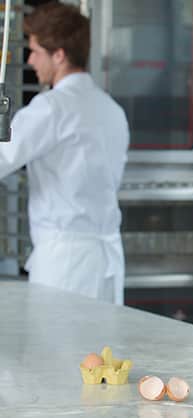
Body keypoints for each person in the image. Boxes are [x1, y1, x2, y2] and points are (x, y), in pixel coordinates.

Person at [0, 3, 129, 304]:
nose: (30, 60)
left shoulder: (52, 108)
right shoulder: (112, 111)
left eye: (35, 51)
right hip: (107, 263)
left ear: (59, 55)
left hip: (65, 264)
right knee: (101, 352)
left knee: (58, 351)